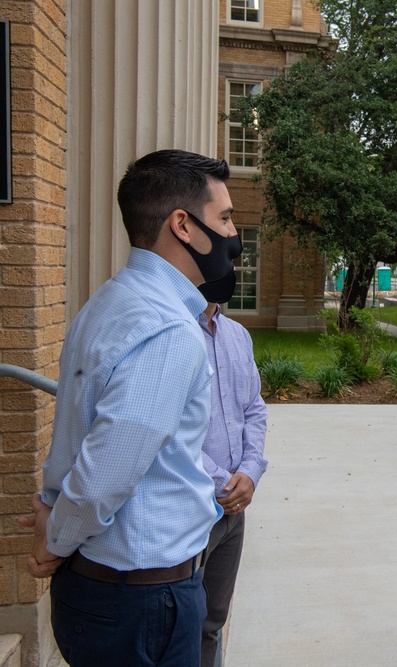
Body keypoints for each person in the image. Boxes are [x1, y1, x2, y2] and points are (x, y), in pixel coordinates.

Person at [18, 149, 243, 666]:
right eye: (225, 218)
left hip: (111, 593)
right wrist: (56, 540)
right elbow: (105, 476)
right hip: (141, 600)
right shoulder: (166, 327)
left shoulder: (110, 301)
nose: (233, 234)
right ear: (182, 225)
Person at [197, 296, 268, 667]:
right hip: (192, 508)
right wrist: (223, 482)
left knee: (212, 623)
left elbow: (253, 408)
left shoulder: (237, 335)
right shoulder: (173, 333)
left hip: (234, 510)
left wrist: (251, 471)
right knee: (183, 626)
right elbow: (169, 430)